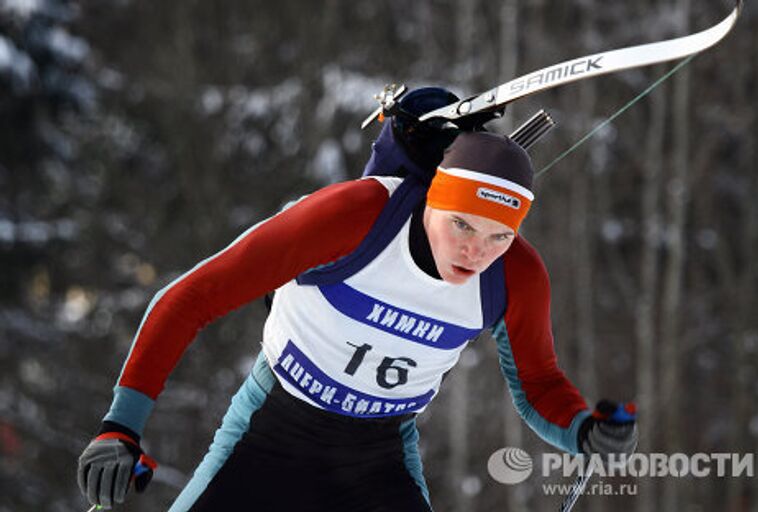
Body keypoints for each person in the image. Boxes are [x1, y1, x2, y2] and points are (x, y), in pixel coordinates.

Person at [77, 88, 638, 511]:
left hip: (378, 460)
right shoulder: (354, 217)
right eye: (462, 225)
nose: (477, 251)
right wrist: (120, 426)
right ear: (430, 202)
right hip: (270, 432)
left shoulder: (516, 276)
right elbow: (190, 297)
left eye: (500, 236)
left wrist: (583, 429)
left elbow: (537, 382)